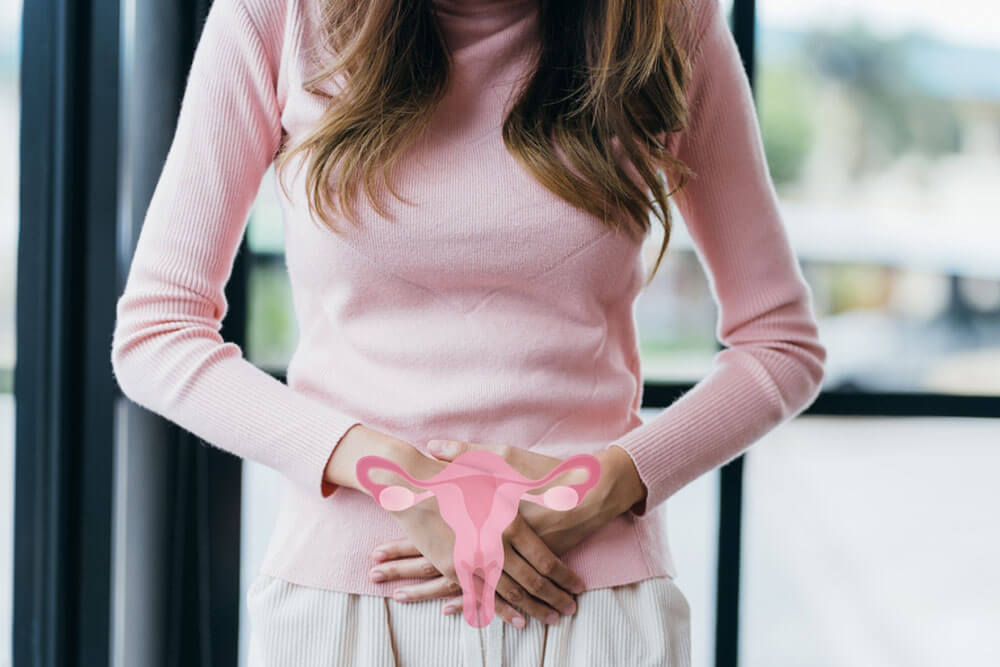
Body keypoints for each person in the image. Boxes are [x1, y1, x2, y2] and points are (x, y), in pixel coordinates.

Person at [110, 0, 827, 664]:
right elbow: (158, 331)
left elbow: (782, 345)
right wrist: (398, 477)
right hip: (344, 608)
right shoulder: (279, 15)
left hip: (592, 603)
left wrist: (603, 485)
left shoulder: (661, 21)